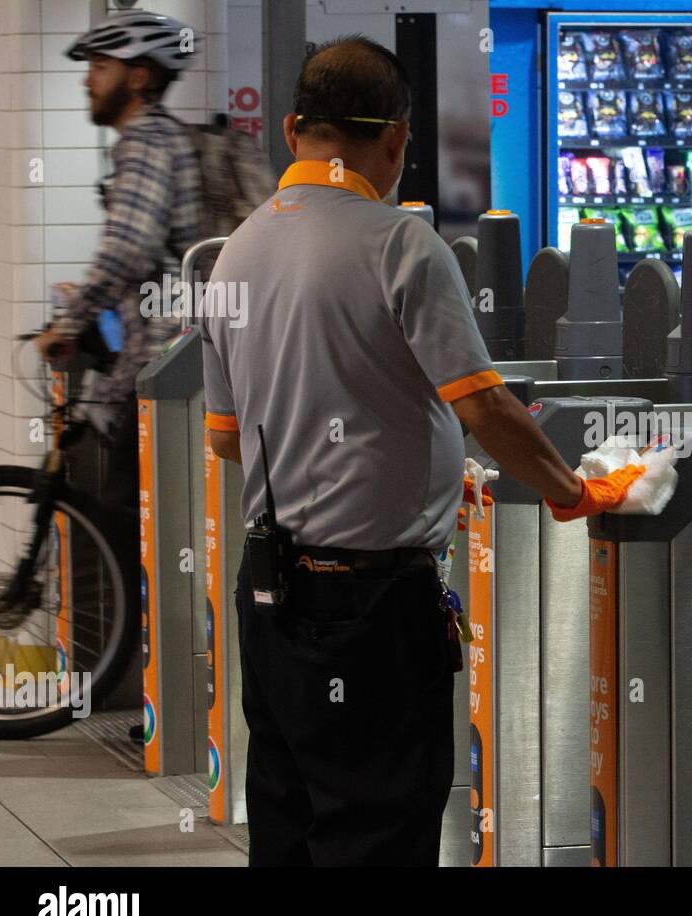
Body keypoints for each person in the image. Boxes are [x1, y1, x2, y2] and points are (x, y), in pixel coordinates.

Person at [199, 36, 642, 866]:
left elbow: (226, 439)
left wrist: (414, 470)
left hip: (269, 605)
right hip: (370, 612)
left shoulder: (234, 255)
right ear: (398, 141)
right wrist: (569, 490)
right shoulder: (401, 245)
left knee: (289, 823)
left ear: (294, 129)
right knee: (379, 829)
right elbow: (481, 404)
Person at [36, 11, 203, 683]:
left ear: (138, 77)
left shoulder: (145, 142)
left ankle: (175, 692)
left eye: (99, 67)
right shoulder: (160, 141)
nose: (87, 82)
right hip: (170, 366)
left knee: (164, 536)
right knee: (162, 533)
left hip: (168, 374)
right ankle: (169, 687)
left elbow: (130, 249)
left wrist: (71, 321)